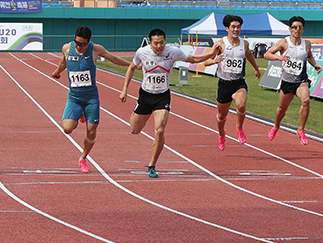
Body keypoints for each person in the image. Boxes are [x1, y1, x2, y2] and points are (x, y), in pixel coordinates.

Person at [119, 29, 220, 178]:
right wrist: (124, 89)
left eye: (161, 43)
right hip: (146, 95)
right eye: (155, 43)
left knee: (159, 130)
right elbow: (132, 68)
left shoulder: (173, 52)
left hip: (162, 96)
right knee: (134, 129)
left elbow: (193, 59)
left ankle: (152, 165)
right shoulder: (142, 52)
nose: (158, 46)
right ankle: (138, 114)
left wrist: (212, 54)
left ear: (165, 42)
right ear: (150, 43)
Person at [51, 26, 131, 173]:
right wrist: (58, 71)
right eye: (77, 43)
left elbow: (113, 58)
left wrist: (131, 65)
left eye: (82, 44)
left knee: (91, 131)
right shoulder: (67, 48)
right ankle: (80, 114)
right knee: (68, 129)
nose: (79, 47)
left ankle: (83, 158)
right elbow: (64, 61)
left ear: (89, 42)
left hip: (91, 98)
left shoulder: (95, 49)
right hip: (74, 97)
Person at [202, 15, 261, 151]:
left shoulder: (244, 43)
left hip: (238, 82)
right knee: (222, 116)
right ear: (227, 28)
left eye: (238, 26)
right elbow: (206, 62)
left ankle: (239, 128)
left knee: (241, 106)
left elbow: (249, 55)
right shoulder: (220, 44)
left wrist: (256, 69)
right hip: (224, 84)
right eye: (233, 27)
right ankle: (222, 134)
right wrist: (215, 60)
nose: (236, 29)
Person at [264, 16, 322, 145]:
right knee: (281, 109)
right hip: (287, 82)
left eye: (300, 27)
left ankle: (301, 130)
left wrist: (315, 65)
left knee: (306, 101)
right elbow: (266, 54)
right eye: (295, 27)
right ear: (290, 29)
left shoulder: (306, 43)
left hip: (301, 80)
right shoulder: (283, 43)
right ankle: (276, 125)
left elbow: (310, 56)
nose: (297, 30)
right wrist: (279, 58)